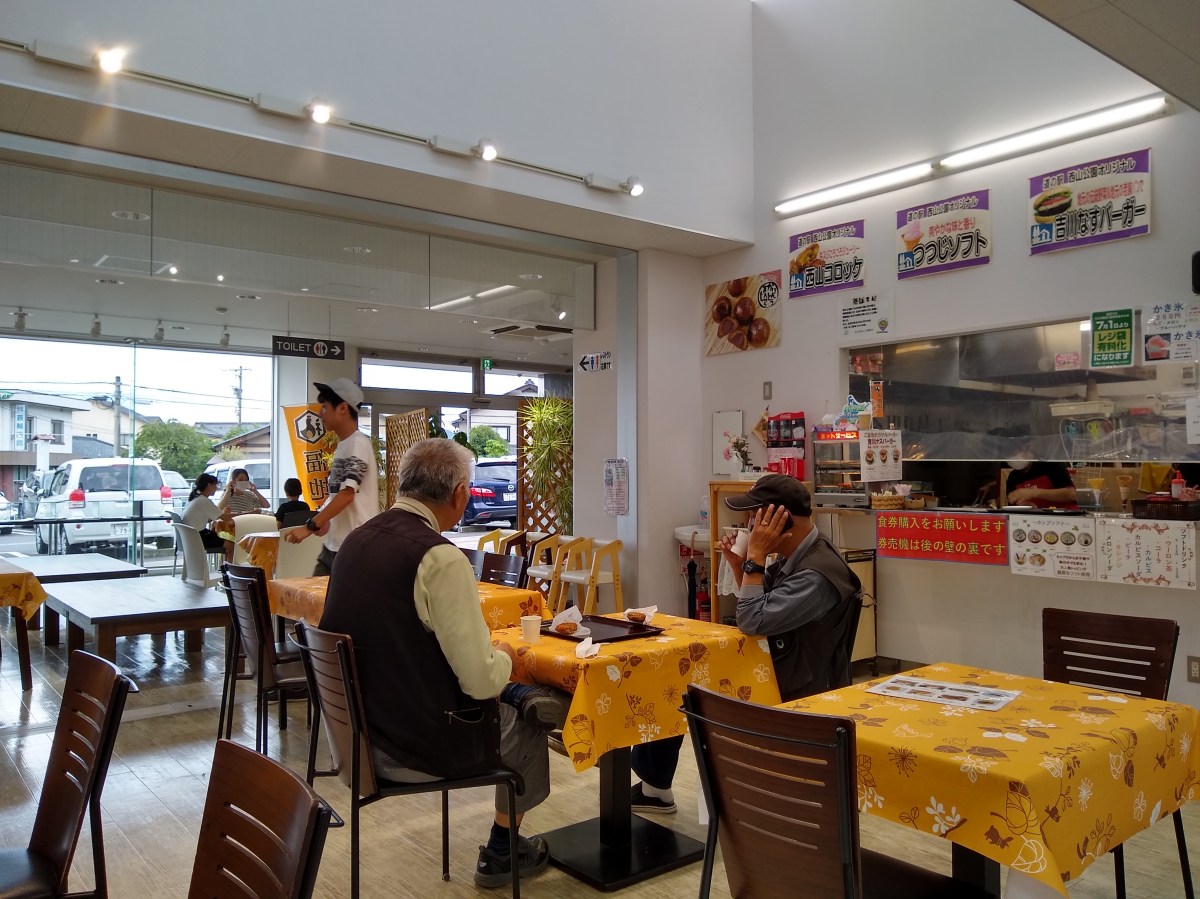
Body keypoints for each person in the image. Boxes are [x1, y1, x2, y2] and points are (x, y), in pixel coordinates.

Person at [318, 437, 567, 888]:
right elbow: (479, 683)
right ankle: (503, 851)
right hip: (412, 745)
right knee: (531, 718)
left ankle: (522, 700)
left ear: (402, 484)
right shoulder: (438, 557)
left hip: (355, 739)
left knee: (512, 696)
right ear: (459, 494)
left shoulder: (355, 541)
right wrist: (504, 656)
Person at [629, 474, 862, 815]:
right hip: (775, 667)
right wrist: (741, 567)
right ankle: (655, 786)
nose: (749, 525)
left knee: (684, 684)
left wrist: (754, 559)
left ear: (782, 521)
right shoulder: (799, 553)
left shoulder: (817, 574)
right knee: (673, 673)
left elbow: (752, 620)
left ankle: (695, 797)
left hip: (793, 686)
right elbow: (762, 606)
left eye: (755, 517)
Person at [283, 378, 380, 575]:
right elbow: (338, 494)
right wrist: (325, 518)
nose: (321, 414)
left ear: (342, 408)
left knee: (322, 595)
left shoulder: (357, 444)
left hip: (355, 547)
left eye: (325, 407)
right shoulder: (345, 445)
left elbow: (347, 495)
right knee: (315, 594)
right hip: (336, 545)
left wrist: (310, 526)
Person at [1003, 433, 1078, 509]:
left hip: (1064, 514)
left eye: (1014, 453)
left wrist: (1034, 493)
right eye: (1008, 455)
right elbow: (1013, 505)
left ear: (1030, 447)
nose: (1012, 457)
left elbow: (1072, 495)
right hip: (1036, 516)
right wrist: (1024, 506)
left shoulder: (1051, 465)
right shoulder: (1013, 477)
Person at [182, 472, 234, 561]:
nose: (216, 488)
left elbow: (206, 519)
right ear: (209, 485)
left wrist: (220, 514)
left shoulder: (196, 499)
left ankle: (226, 568)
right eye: (215, 485)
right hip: (199, 537)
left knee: (226, 544)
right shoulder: (203, 501)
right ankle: (229, 569)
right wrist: (250, 513)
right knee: (232, 546)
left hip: (191, 537)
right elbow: (225, 518)